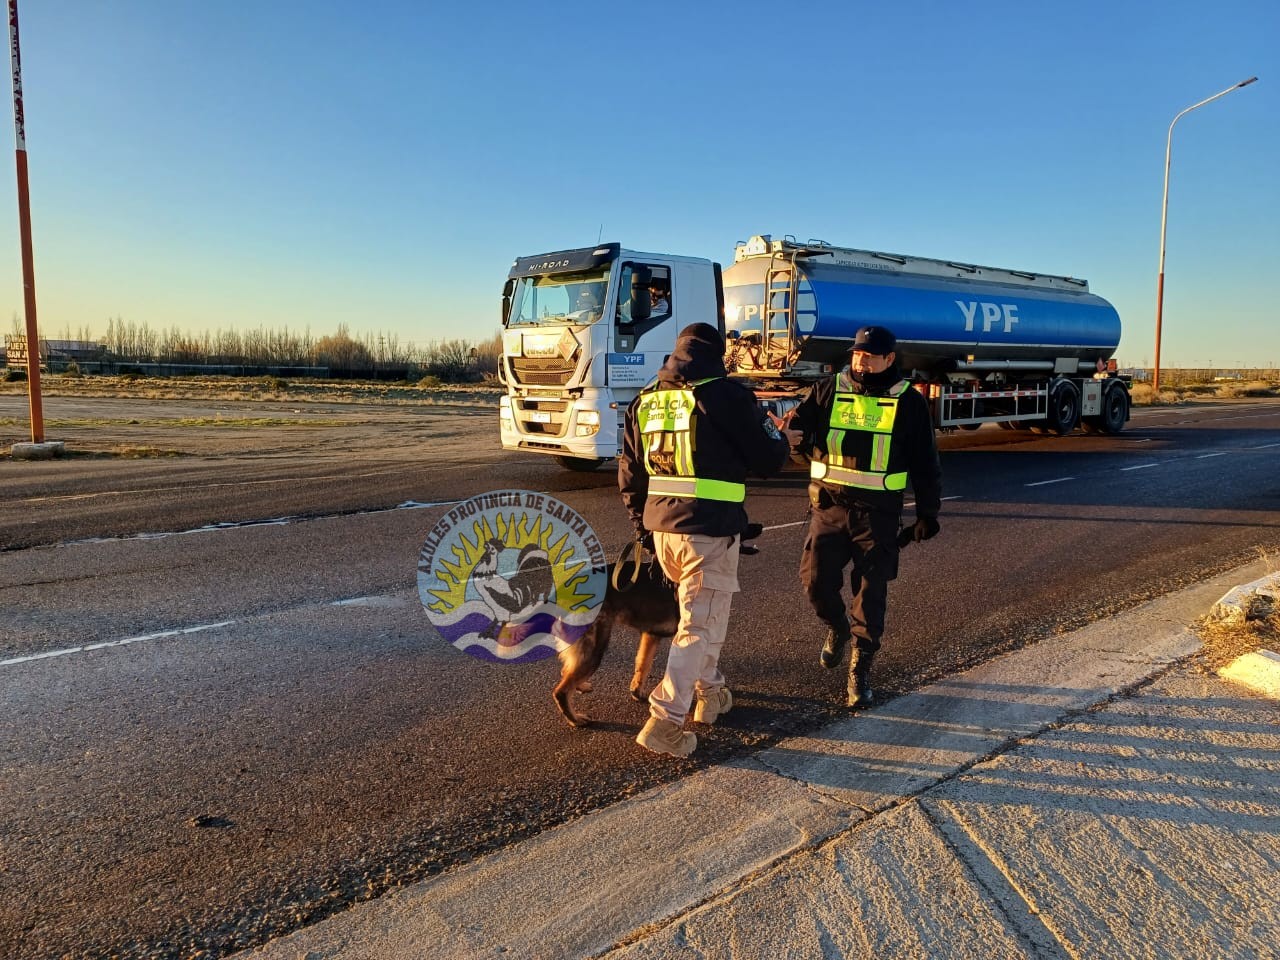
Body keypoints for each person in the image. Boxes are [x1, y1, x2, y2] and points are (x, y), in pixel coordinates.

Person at [620, 322, 791, 757]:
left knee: (705, 615)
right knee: (697, 625)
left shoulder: (647, 398)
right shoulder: (727, 396)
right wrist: (782, 438)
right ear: (717, 355)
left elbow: (630, 470)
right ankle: (665, 721)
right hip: (708, 531)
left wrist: (642, 526)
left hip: (663, 533)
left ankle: (710, 694)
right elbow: (768, 459)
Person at [780, 324, 942, 709]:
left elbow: (925, 463)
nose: (860, 360)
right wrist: (793, 439)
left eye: (869, 355)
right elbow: (800, 431)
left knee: (870, 596)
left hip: (878, 517)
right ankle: (836, 627)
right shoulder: (829, 389)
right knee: (815, 583)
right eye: (856, 353)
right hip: (828, 508)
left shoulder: (908, 401)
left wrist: (927, 513)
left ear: (889, 359)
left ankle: (860, 669)